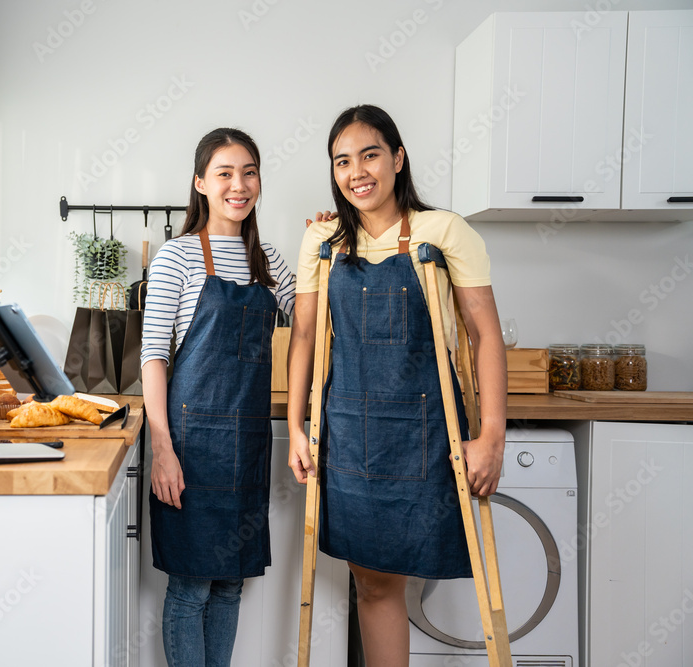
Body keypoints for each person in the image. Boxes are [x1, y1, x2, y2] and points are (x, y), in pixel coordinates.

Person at [286, 105, 506, 666]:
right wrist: (294, 427)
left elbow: (485, 336)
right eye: (342, 161)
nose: (357, 171)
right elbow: (305, 336)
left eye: (370, 154)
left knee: (404, 575)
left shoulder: (445, 230)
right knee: (372, 584)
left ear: (398, 158)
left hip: (428, 433)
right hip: (351, 433)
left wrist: (491, 438)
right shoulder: (322, 240)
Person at [142, 127, 296, 667]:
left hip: (246, 444)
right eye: (225, 173)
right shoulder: (176, 258)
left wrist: (326, 250)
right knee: (191, 588)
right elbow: (153, 357)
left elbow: (315, 320)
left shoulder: (270, 261)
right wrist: (162, 447)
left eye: (249, 172)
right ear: (200, 183)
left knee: (229, 585)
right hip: (188, 444)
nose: (239, 184)